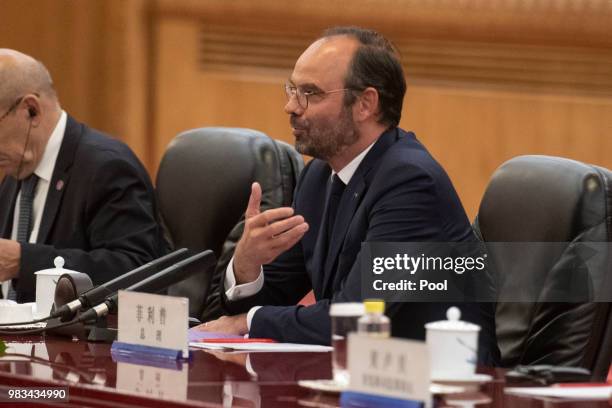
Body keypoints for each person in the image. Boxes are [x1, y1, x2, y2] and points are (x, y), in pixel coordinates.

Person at [198, 27, 499, 364]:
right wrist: (246, 265)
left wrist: (247, 323)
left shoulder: (411, 183)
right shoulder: (318, 176)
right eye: (293, 89)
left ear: (365, 104)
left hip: (441, 382)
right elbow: (274, 297)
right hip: (361, 373)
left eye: (310, 93)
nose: (291, 106)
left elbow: (360, 316)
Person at [0, 49, 167, 303]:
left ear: (30, 110)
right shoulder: (16, 164)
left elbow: (137, 273)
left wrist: (24, 261)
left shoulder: (108, 168)